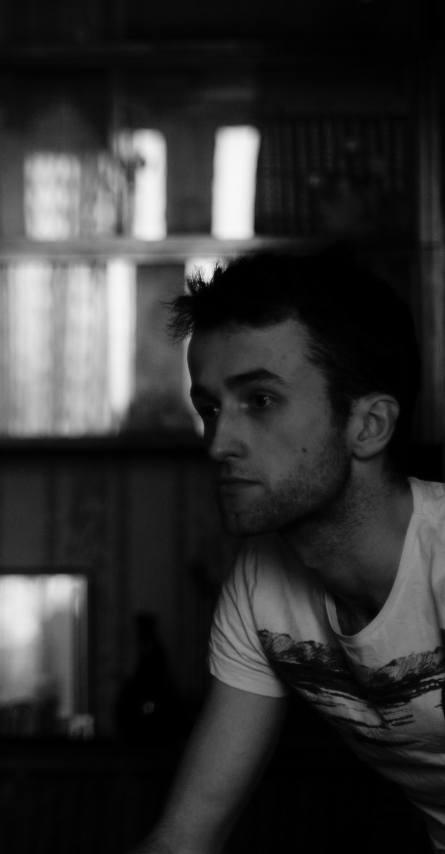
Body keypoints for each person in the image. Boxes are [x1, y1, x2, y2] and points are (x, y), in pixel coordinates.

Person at [131, 247, 443, 852]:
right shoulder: (262, 585)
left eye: (261, 401)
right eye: (210, 408)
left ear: (369, 425)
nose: (218, 443)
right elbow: (186, 839)